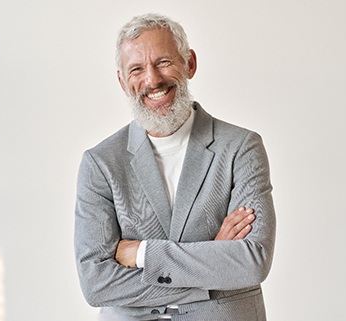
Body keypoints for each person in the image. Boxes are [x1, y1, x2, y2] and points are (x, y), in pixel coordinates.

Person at [74, 13, 276, 321]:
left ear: (190, 63)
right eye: (137, 69)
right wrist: (212, 266)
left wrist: (142, 254)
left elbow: (252, 261)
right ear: (122, 81)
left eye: (164, 62)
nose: (152, 80)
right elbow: (96, 284)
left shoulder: (241, 147)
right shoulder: (100, 163)